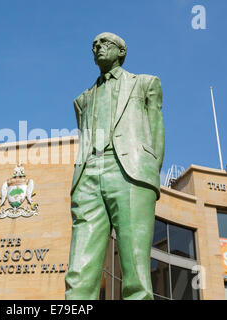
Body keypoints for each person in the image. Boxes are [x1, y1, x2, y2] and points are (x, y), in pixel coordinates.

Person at [65, 32, 165, 300]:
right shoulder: (83, 99)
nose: (97, 47)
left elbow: (156, 133)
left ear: (121, 51)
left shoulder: (144, 84)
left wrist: (149, 172)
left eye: (104, 43)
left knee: (135, 268)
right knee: (79, 270)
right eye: (94, 44)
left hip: (129, 173)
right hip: (88, 174)